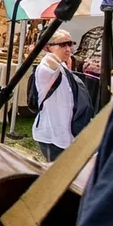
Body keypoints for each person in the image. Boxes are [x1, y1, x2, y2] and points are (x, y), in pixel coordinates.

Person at [34, 30, 79, 162]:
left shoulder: (63, 66)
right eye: (63, 45)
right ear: (48, 47)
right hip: (52, 136)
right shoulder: (46, 67)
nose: (68, 49)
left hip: (66, 135)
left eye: (70, 44)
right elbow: (50, 60)